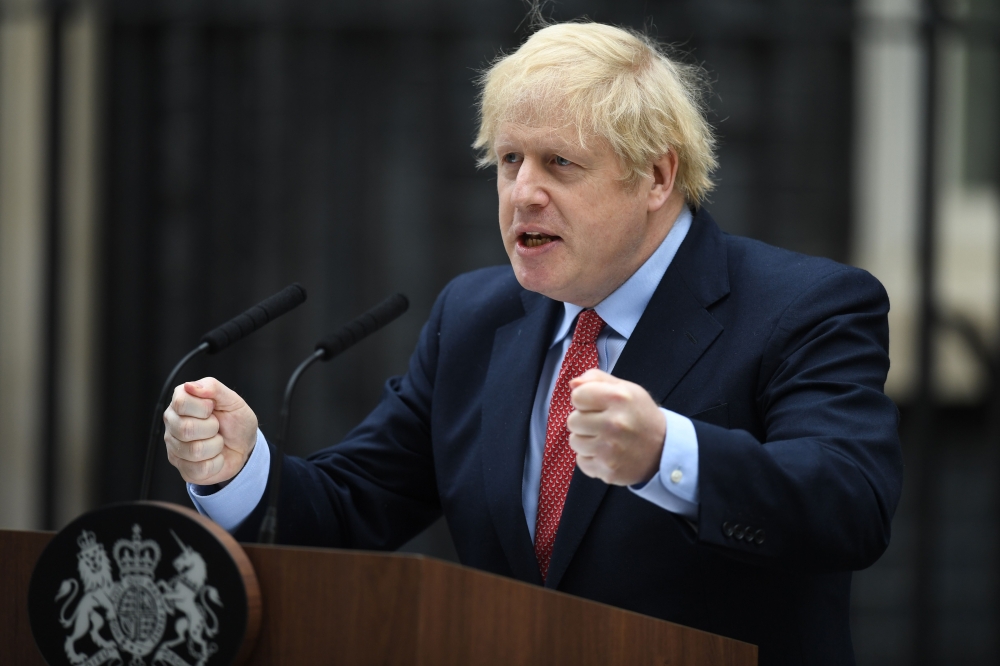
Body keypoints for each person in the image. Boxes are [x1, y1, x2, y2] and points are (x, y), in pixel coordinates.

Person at [162, 22, 902, 665]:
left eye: (560, 164)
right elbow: (355, 506)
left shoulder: (804, 306)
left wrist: (668, 456)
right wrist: (237, 471)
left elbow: (848, 503)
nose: (523, 193)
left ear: (655, 174)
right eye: (510, 160)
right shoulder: (477, 317)